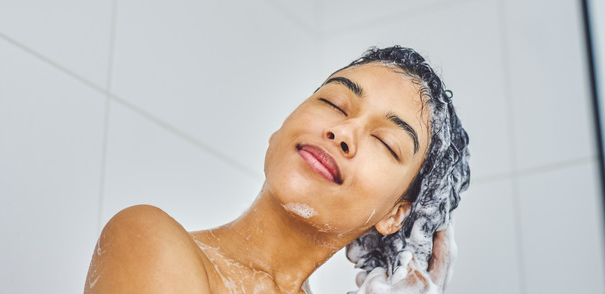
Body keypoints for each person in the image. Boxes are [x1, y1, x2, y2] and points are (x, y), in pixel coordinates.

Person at [85, 46, 470, 294]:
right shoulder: (148, 240)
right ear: (279, 131)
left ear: (394, 215)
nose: (343, 131)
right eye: (335, 103)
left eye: (385, 142)